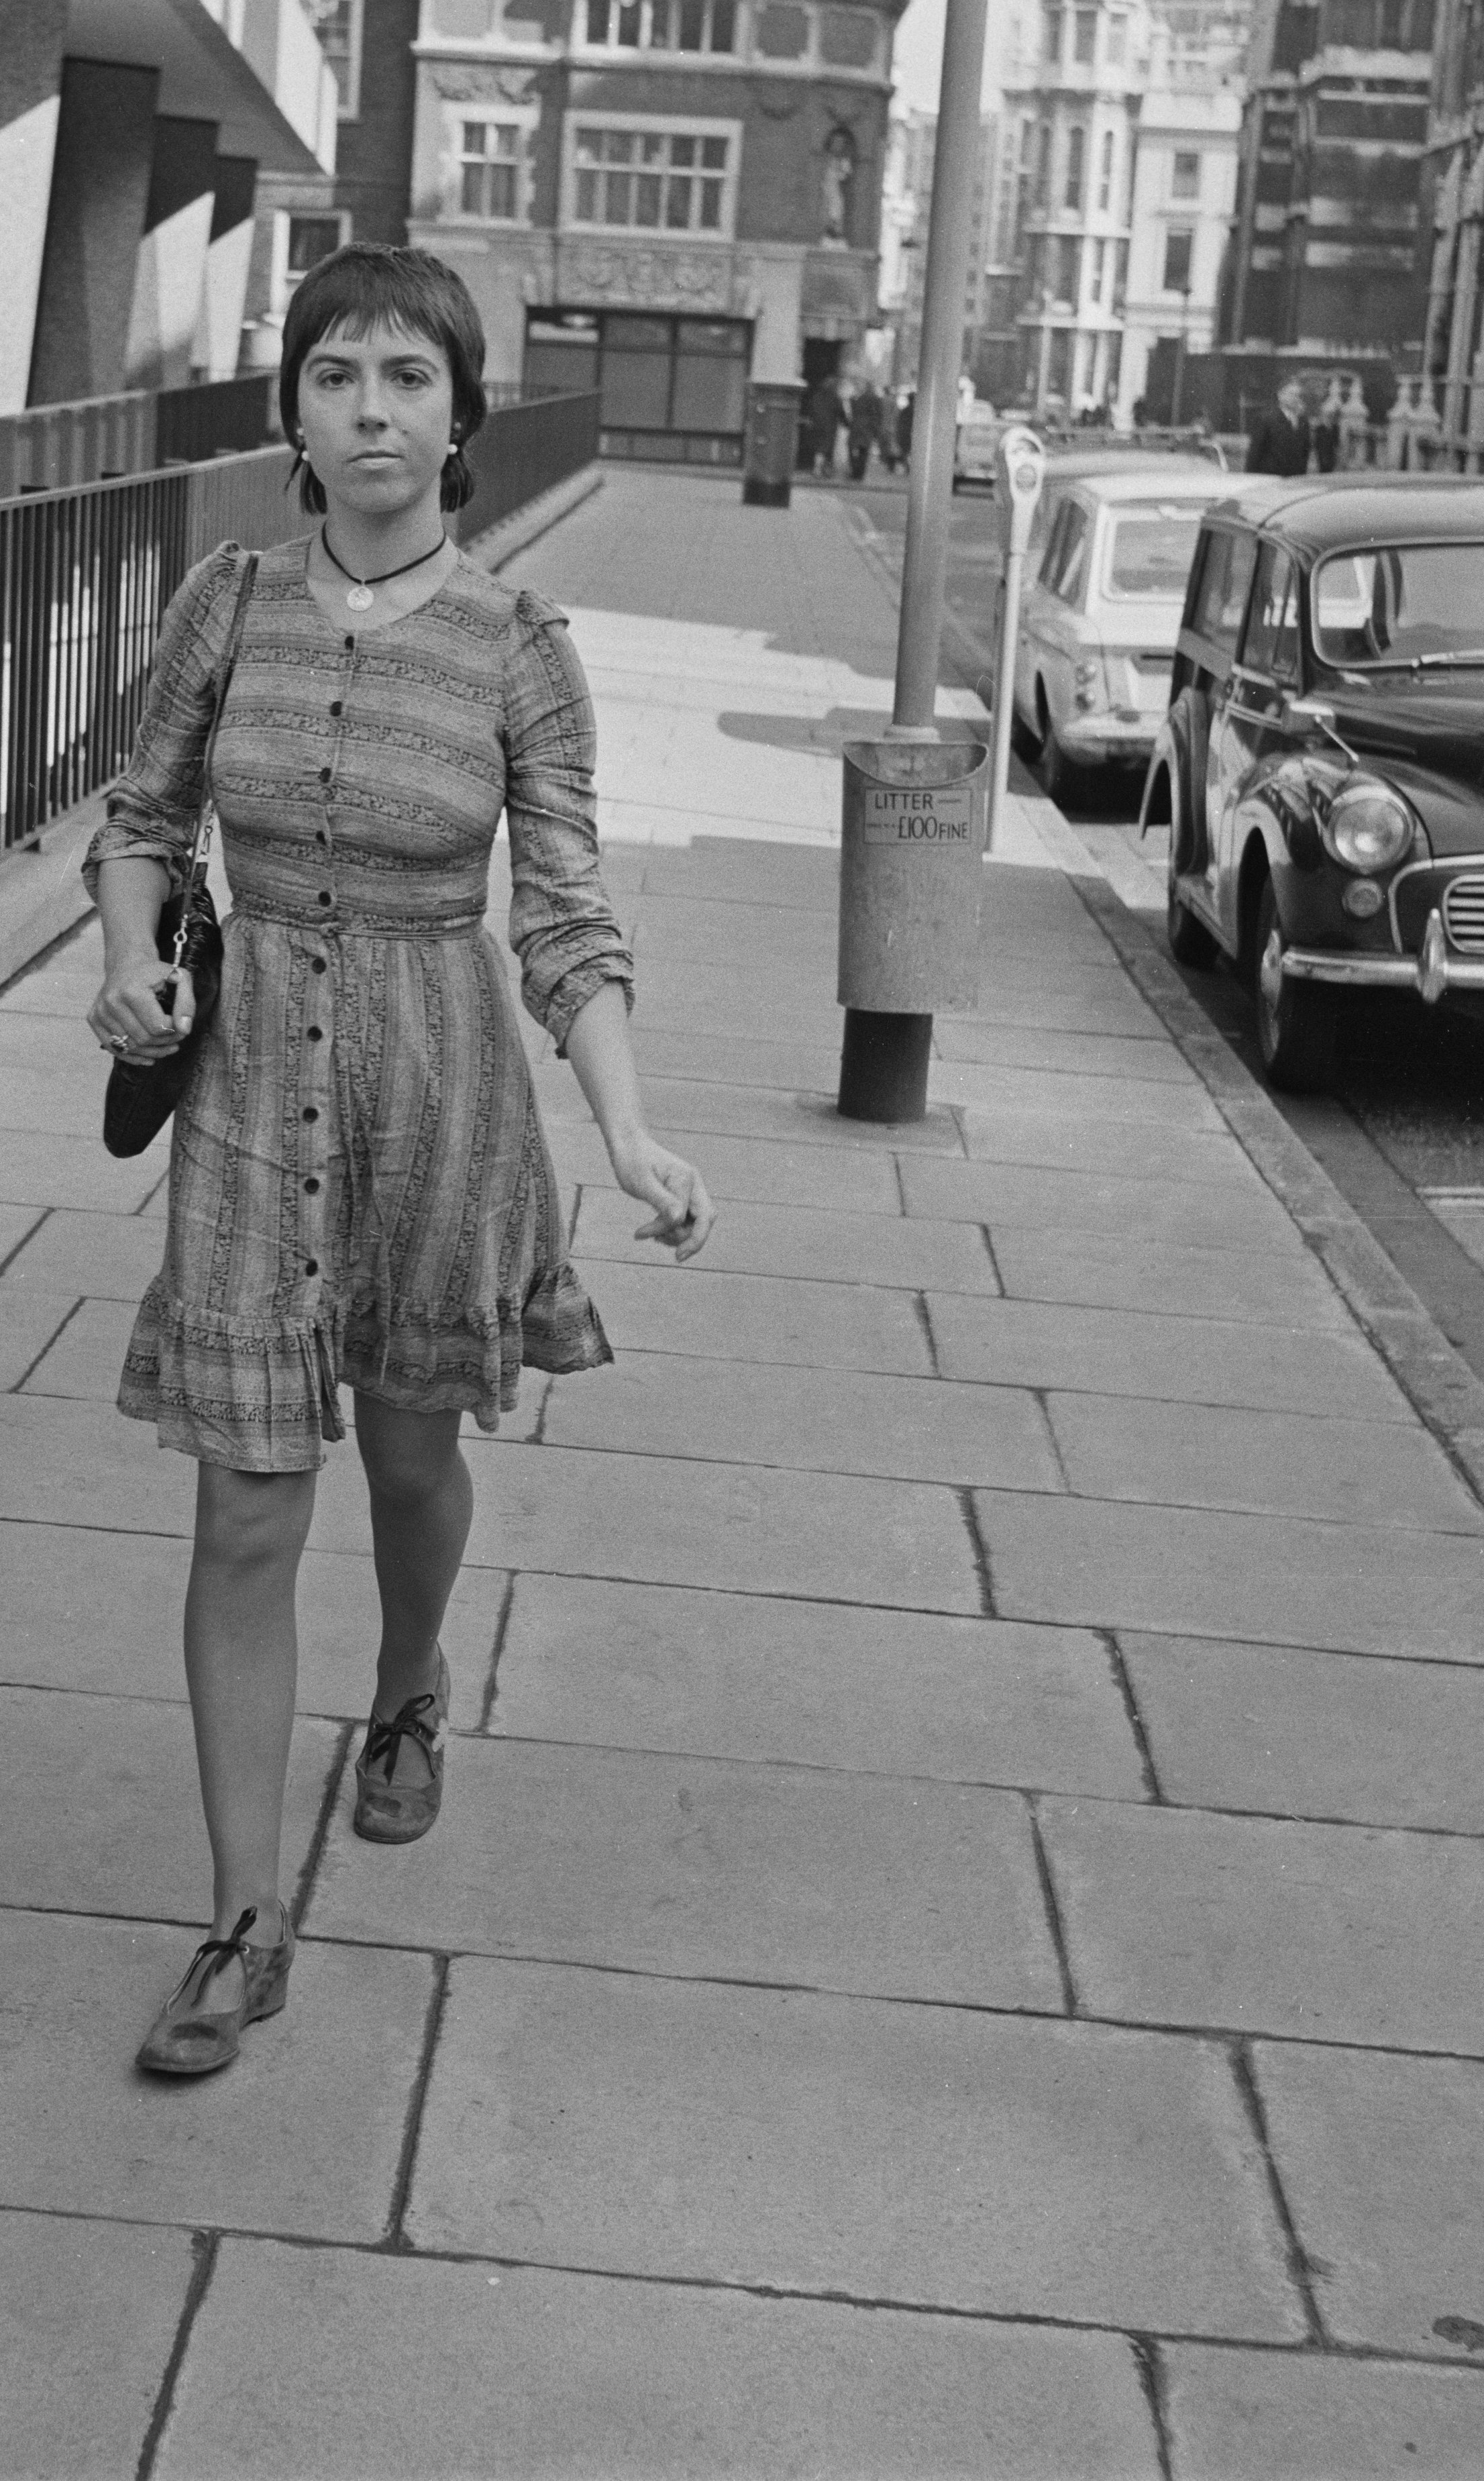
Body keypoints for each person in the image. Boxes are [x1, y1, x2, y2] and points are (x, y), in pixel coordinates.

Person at [85, 242, 717, 2080]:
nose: (372, 409)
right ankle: (236, 1918)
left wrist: (625, 1118)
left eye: (408, 379)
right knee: (245, 1502)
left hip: (444, 1099)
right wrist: (132, 953)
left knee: (412, 1451)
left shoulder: (520, 650)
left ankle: (408, 1680)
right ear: (289, 411)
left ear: (457, 420)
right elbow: (142, 819)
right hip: (243, 1107)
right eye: (338, 375)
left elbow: (568, 915)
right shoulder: (226, 602)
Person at [1246, 377, 1312, 477]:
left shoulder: (1302, 421)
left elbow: (1305, 452)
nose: (1295, 398)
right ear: (1280, 395)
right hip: (1270, 478)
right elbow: (1255, 452)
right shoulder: (1267, 419)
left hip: (1295, 480)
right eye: (1292, 394)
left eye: (1298, 395)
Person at [804, 369, 843, 475]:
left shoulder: (817, 396)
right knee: (824, 448)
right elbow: (840, 411)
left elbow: (810, 409)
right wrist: (846, 423)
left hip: (816, 425)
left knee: (818, 448)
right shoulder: (835, 397)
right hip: (829, 427)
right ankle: (818, 470)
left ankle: (821, 469)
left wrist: (810, 420)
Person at [845, 381, 885, 482]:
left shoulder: (862, 398)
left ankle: (856, 473)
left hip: (860, 428)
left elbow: (876, 414)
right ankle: (859, 473)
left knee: (854, 449)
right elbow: (878, 415)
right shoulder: (871, 398)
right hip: (864, 429)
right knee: (862, 451)